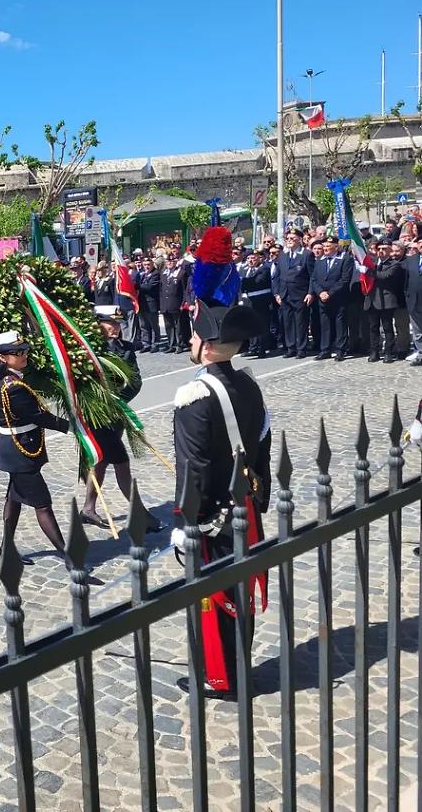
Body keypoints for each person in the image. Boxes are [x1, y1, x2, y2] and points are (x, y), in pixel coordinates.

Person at [170, 300, 272, 699]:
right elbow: (261, 445)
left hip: (213, 511)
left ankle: (221, 677)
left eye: (195, 336)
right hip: (245, 503)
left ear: (208, 347)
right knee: (240, 593)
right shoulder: (248, 382)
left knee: (217, 600)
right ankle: (238, 667)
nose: (190, 340)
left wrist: (187, 520)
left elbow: (192, 465)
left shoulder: (194, 394)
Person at [0, 330, 75, 569]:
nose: (23, 355)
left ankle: (6, 548)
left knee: (14, 499)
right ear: (3, 358)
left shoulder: (14, 378)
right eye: (17, 352)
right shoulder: (13, 386)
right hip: (20, 453)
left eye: (24, 350)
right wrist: (72, 426)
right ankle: (69, 557)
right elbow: (38, 416)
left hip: (20, 448)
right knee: (43, 504)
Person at [79, 306, 161, 533]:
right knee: (122, 464)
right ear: (98, 324)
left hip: (116, 414)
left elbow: (135, 382)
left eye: (117, 323)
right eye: (110, 323)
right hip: (97, 417)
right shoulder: (88, 349)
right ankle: (140, 514)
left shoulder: (126, 348)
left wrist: (116, 400)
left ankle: (88, 508)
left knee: (101, 462)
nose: (115, 327)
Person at [309, 237, 353, 362]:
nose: (325, 249)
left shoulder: (344, 259)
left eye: (328, 246)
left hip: (338, 298)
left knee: (340, 324)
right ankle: (325, 349)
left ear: (336, 247)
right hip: (322, 298)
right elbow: (314, 279)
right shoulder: (319, 261)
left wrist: (330, 293)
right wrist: (320, 292)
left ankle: (340, 350)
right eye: (324, 246)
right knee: (325, 324)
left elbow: (344, 279)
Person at [274, 228, 313, 358]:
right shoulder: (283, 256)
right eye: (288, 239)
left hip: (300, 294)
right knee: (288, 322)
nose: (289, 241)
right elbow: (277, 276)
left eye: (292, 238)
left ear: (299, 240)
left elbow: (312, 276)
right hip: (285, 294)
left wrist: (310, 292)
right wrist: (277, 293)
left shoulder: (306, 254)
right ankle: (291, 348)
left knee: (301, 322)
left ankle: (301, 348)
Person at [364, 241, 404, 363]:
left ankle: (388, 352)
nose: (381, 251)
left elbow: (384, 276)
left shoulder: (394, 264)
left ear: (390, 250)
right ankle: (374, 351)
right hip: (372, 299)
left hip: (386, 300)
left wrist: (369, 271)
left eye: (384, 248)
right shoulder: (373, 264)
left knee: (387, 328)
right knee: (373, 328)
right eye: (379, 249)